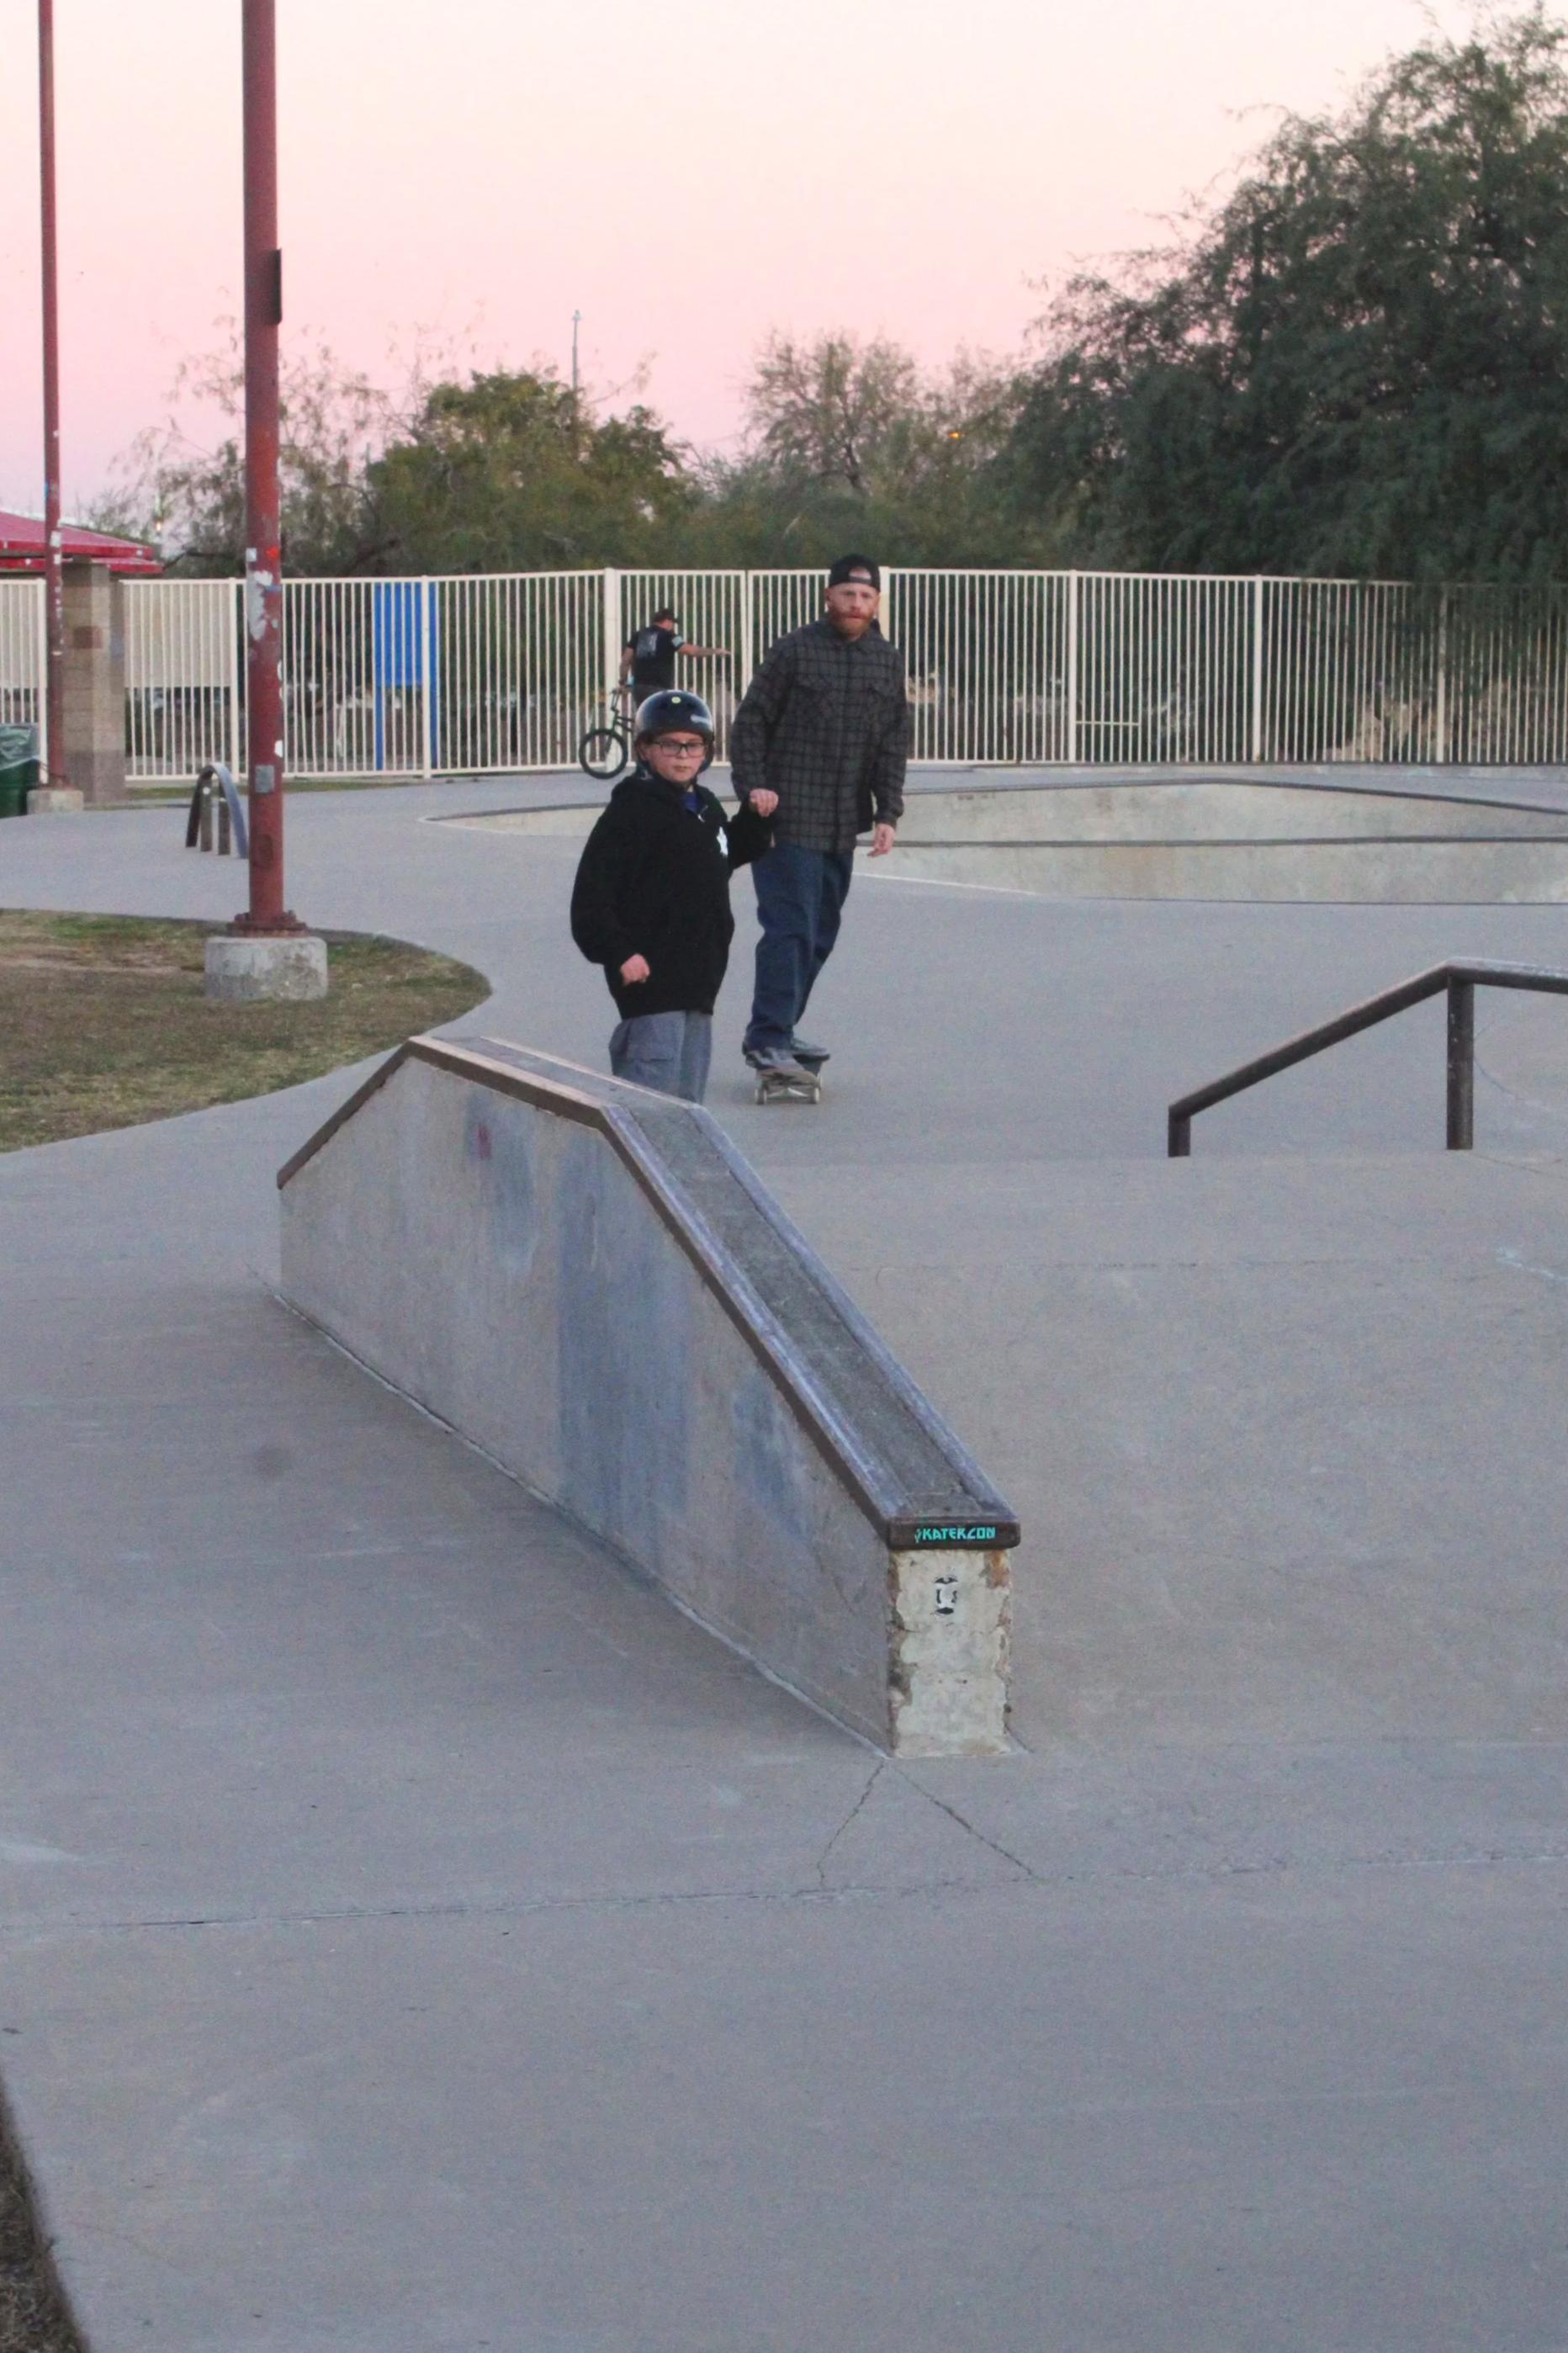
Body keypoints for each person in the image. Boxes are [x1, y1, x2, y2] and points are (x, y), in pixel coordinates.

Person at [728, 554, 908, 1076]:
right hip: (787, 818)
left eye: (866, 597)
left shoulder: (886, 660)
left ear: (877, 605)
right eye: (848, 594)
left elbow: (893, 743)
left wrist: (887, 811)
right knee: (790, 928)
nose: (856, 604)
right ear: (828, 597)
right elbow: (751, 723)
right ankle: (767, 1038)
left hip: (840, 823)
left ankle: (780, 1028)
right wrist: (754, 786)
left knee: (821, 933)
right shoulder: (793, 652)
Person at [570, 690, 777, 1102]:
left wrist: (755, 817)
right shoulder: (630, 814)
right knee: (651, 1106)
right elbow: (591, 901)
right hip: (651, 984)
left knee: (687, 1110)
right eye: (669, 744)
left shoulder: (703, 806)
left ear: (706, 751)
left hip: (699, 982)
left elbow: (726, 852)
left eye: (694, 744)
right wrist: (619, 953)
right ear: (645, 749)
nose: (683, 755)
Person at [620, 608, 728, 711]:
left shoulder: (639, 635)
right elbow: (691, 651)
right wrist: (715, 651)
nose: (672, 626)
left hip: (639, 686)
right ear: (667, 621)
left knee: (643, 717)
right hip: (659, 686)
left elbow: (626, 659)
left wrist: (623, 681)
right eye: (672, 623)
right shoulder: (670, 636)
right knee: (660, 719)